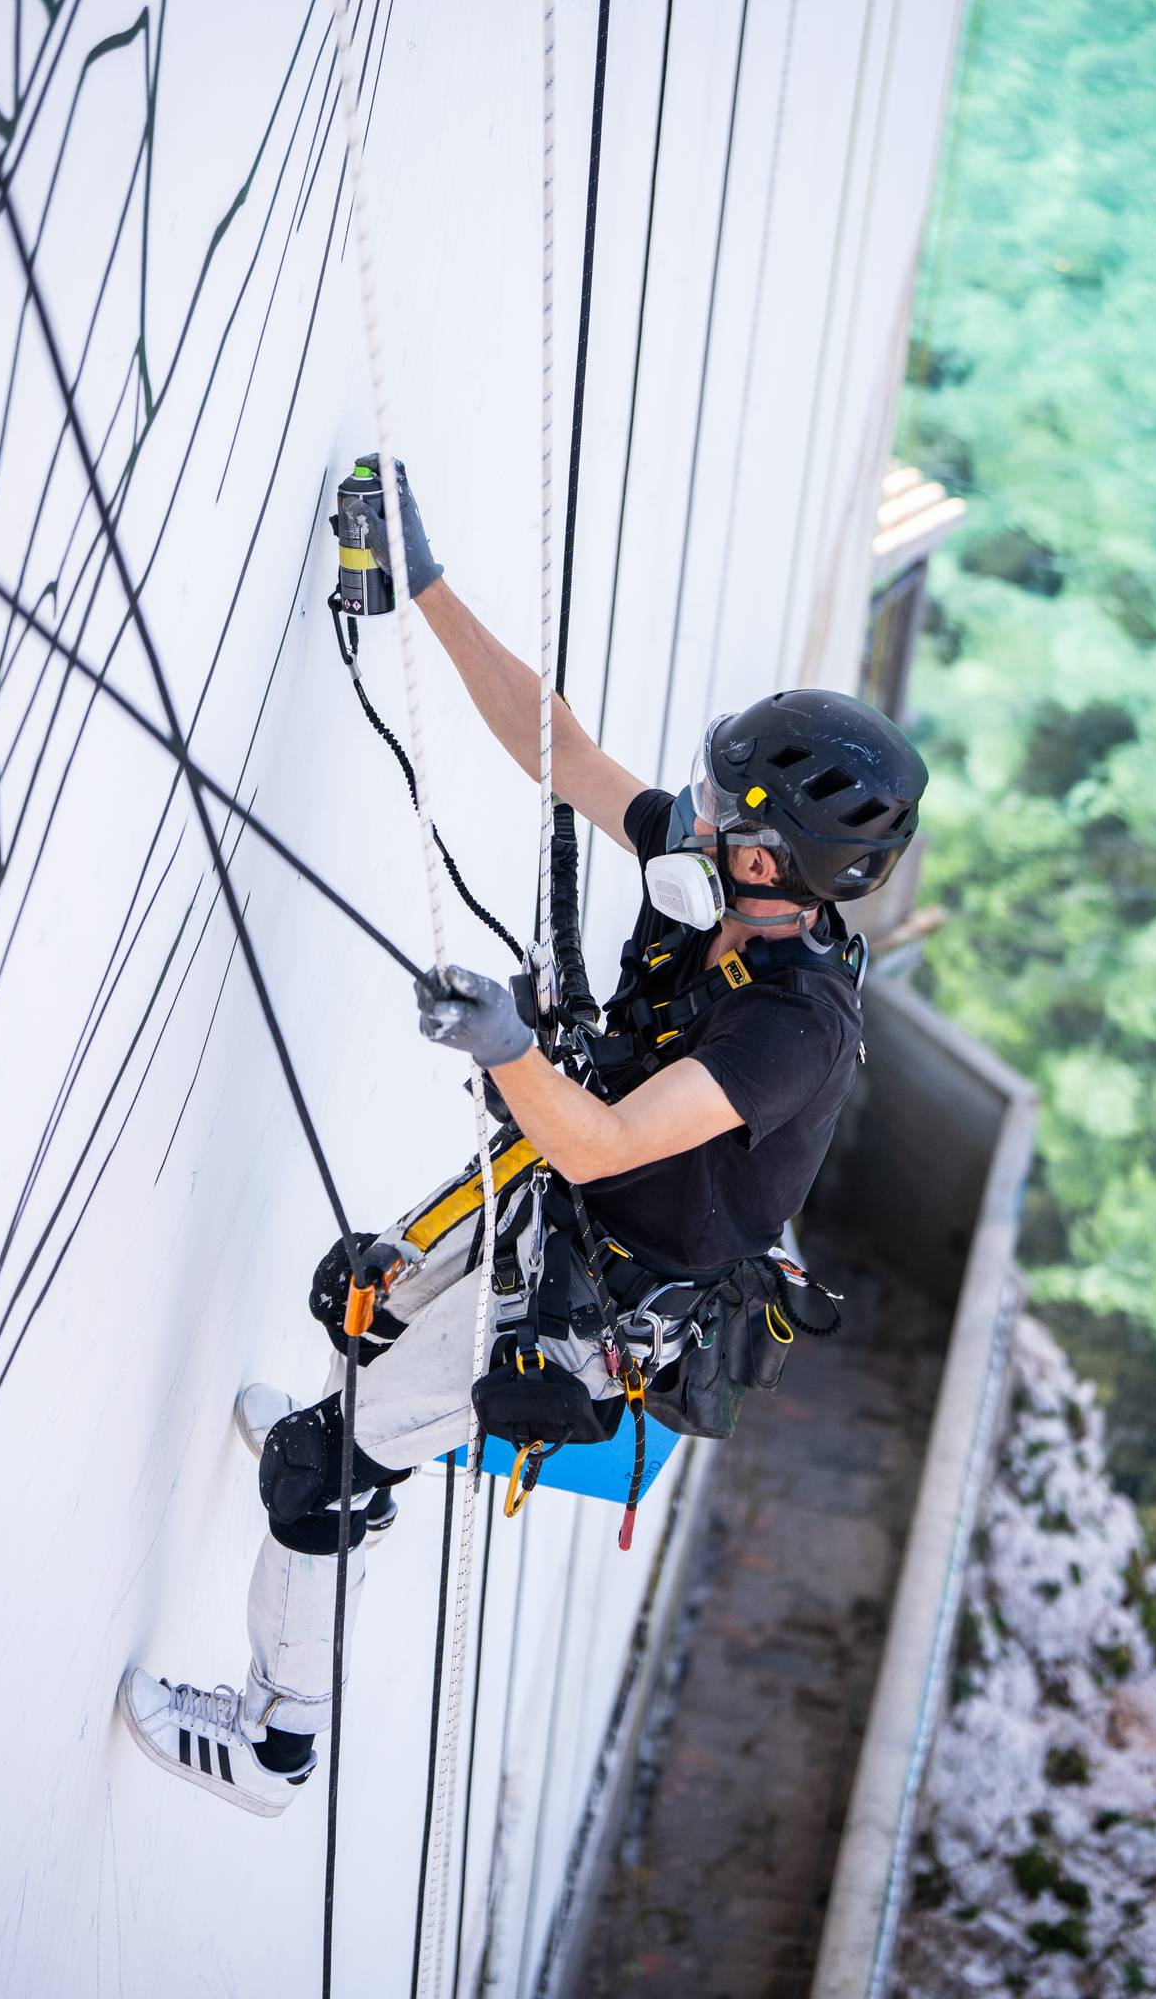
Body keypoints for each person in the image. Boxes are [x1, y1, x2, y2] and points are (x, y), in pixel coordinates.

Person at [119, 461, 929, 1816]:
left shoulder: (791, 1030)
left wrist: (506, 1049)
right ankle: (359, 1446)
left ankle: (273, 1742)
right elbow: (554, 749)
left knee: (325, 1465)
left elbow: (607, 1144)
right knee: (363, 1307)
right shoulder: (713, 889)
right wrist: (425, 586)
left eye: (726, 811)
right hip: (569, 1211)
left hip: (598, 1292)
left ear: (776, 864)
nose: (696, 812)